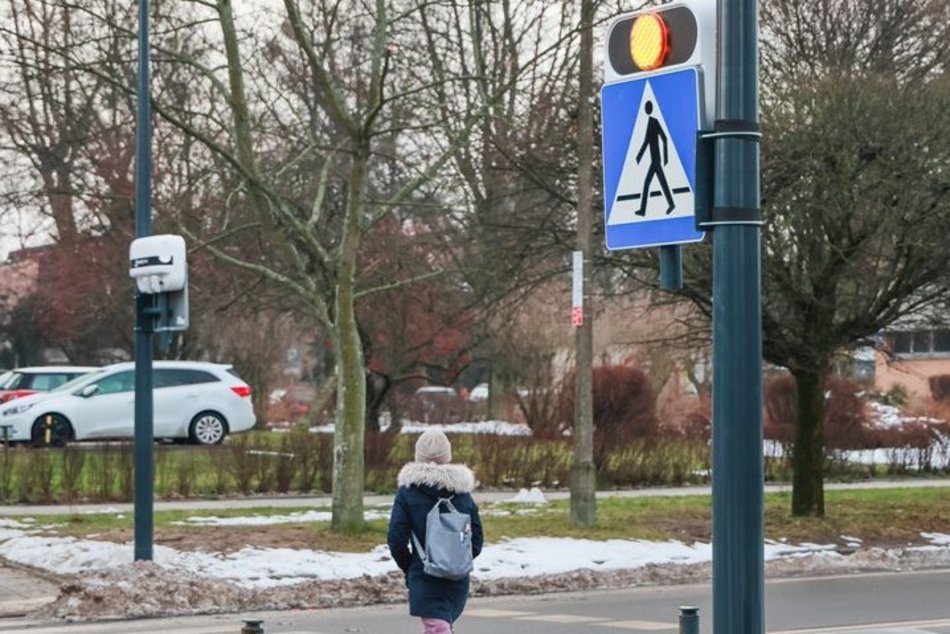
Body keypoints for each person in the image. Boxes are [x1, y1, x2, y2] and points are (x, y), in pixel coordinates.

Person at [388, 429, 484, 634]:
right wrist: (458, 559)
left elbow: (396, 539)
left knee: (438, 628)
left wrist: (411, 566)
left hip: (424, 576)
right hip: (457, 580)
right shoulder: (463, 494)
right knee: (441, 627)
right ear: (448, 457)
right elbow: (476, 539)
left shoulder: (407, 493)